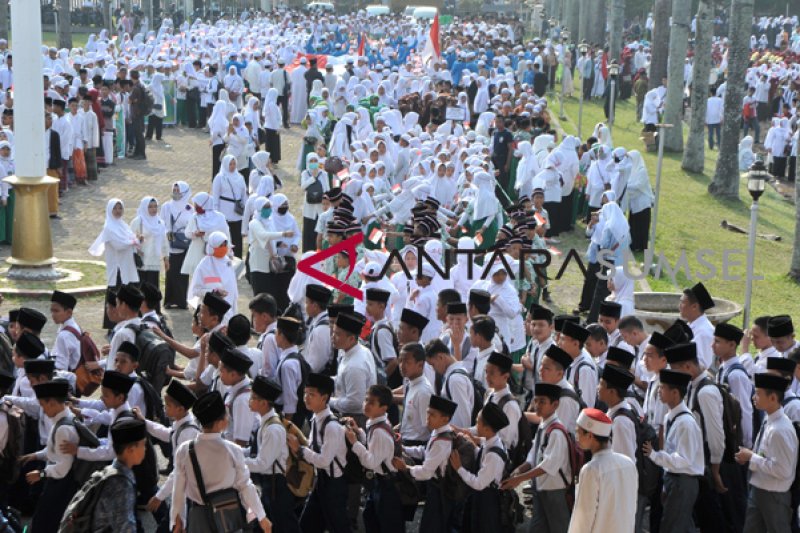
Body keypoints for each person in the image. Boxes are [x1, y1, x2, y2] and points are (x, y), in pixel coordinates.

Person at [171, 391, 270, 532]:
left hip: (198, 519)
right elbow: (245, 486)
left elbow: (178, 490)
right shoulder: (233, 450)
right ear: (220, 423)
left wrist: (177, 518)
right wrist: (261, 516)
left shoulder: (184, 450)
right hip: (227, 518)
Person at [502, 382, 572, 533]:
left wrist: (520, 479)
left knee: (559, 528)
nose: (537, 405)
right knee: (537, 527)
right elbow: (533, 455)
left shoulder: (557, 432)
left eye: (543, 402)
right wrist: (519, 470)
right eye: (536, 400)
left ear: (555, 405)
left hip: (555, 490)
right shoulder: (543, 425)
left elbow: (548, 465)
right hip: (540, 488)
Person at [734, 373, 798, 533]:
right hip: (759, 490)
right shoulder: (769, 420)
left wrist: (751, 457)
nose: (754, 397)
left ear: (773, 398)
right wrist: (749, 457)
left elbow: (783, 470)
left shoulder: (780, 429)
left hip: (774, 495)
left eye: (758, 393)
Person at [288, 372, 351, 533]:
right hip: (321, 482)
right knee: (307, 525)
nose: (306, 398)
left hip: (334, 486)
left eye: (312, 394)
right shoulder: (316, 419)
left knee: (339, 526)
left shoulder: (331, 426)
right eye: (305, 393)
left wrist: (300, 449)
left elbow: (324, 460)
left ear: (324, 398)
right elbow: (313, 447)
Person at [644, 368, 704, 533]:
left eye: (662, 388)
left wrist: (655, 456)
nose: (659, 392)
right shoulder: (670, 416)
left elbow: (684, 460)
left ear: (675, 393)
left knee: (673, 527)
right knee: (681, 525)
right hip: (673, 478)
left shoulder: (686, 423)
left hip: (683, 480)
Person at [393, 395, 459, 531]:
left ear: (445, 419)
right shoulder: (439, 432)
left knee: (433, 527)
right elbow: (425, 451)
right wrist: (405, 449)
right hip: (436, 488)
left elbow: (426, 472)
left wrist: (406, 468)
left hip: (440, 491)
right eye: (428, 413)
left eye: (432, 415)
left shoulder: (442, 441)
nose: (427, 417)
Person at [344, 384, 404, 533]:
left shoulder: (379, 432)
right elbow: (373, 449)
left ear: (383, 408)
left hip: (387, 486)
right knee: (370, 518)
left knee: (386, 525)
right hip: (380, 484)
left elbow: (371, 461)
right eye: (366, 400)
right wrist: (359, 431)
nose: (366, 405)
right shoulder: (376, 423)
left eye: (371, 402)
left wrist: (354, 443)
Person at [21, 380, 80, 532]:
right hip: (58, 483)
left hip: (60, 486)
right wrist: (34, 456)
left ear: (52, 402)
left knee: (45, 524)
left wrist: (40, 473)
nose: (43, 410)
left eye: (43, 405)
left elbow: (63, 467)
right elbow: (53, 451)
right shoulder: (63, 419)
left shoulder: (63, 428)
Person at [567, 408, 638, 532]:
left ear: (590, 435)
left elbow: (583, 517)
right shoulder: (629, 463)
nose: (576, 437)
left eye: (578, 432)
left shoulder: (591, 470)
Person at [245, 376, 301, 533]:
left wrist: (238, 461)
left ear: (264, 403)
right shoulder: (265, 422)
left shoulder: (273, 429)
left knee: (285, 527)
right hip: (269, 485)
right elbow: (257, 452)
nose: (250, 400)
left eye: (253, 398)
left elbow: (263, 463)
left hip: (277, 486)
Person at [450, 402, 509, 533]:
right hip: (482, 498)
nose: (476, 426)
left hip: (488, 501)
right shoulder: (490, 441)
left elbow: (479, 483)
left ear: (487, 429)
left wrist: (459, 468)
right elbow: (481, 452)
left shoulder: (494, 454)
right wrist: (472, 442)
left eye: (478, 422)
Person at [89, 418, 148, 532]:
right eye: (143, 444)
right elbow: (125, 528)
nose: (145, 449)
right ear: (130, 450)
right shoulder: (121, 484)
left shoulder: (112, 471)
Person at [89, 199, 140, 330]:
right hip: (117, 267)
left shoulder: (123, 225)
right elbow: (119, 245)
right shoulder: (108, 228)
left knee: (125, 296)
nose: (118, 211)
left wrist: (136, 241)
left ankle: (125, 319)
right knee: (116, 295)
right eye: (115, 209)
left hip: (127, 265)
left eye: (120, 208)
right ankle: (112, 323)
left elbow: (131, 240)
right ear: (110, 210)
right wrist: (133, 241)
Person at [248, 196, 297, 298]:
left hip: (271, 266)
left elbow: (271, 238)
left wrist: (278, 243)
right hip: (259, 267)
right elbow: (263, 235)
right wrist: (283, 234)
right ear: (259, 208)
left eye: (270, 207)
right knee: (260, 298)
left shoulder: (269, 221)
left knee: (271, 296)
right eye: (266, 207)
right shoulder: (254, 223)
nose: (269, 210)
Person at [188, 231, 238, 316]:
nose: (223, 248)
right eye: (220, 246)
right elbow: (196, 290)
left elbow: (233, 287)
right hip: (212, 311)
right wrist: (214, 292)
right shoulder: (204, 266)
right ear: (212, 247)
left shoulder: (228, 262)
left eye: (225, 245)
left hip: (229, 310)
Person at [161, 181, 194, 309]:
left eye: (178, 191)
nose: (175, 193)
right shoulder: (166, 206)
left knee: (183, 273)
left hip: (184, 243)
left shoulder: (190, 209)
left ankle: (181, 300)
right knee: (170, 272)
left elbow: (191, 224)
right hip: (170, 242)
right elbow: (162, 223)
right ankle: (169, 300)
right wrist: (168, 235)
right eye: (174, 190)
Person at [212, 154, 248, 258]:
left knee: (237, 239)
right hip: (224, 213)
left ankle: (238, 260)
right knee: (226, 238)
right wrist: (216, 214)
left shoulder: (240, 177)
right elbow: (215, 197)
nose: (232, 166)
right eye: (230, 164)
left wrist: (245, 210)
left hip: (237, 214)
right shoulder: (219, 177)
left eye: (234, 164)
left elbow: (244, 195)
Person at [130, 196, 169, 288]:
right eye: (150, 207)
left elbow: (164, 241)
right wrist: (137, 240)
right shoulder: (137, 221)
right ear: (144, 207)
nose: (153, 209)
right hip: (141, 260)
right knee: (141, 288)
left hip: (154, 260)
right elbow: (129, 239)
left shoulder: (160, 222)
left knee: (152, 288)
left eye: (155, 206)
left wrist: (166, 258)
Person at [300, 152, 330, 251]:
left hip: (321, 209)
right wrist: (313, 178)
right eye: (311, 161)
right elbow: (303, 187)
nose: (313, 163)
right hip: (309, 210)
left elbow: (327, 189)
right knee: (309, 234)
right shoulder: (305, 173)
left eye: (315, 161)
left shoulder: (324, 174)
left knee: (320, 233)